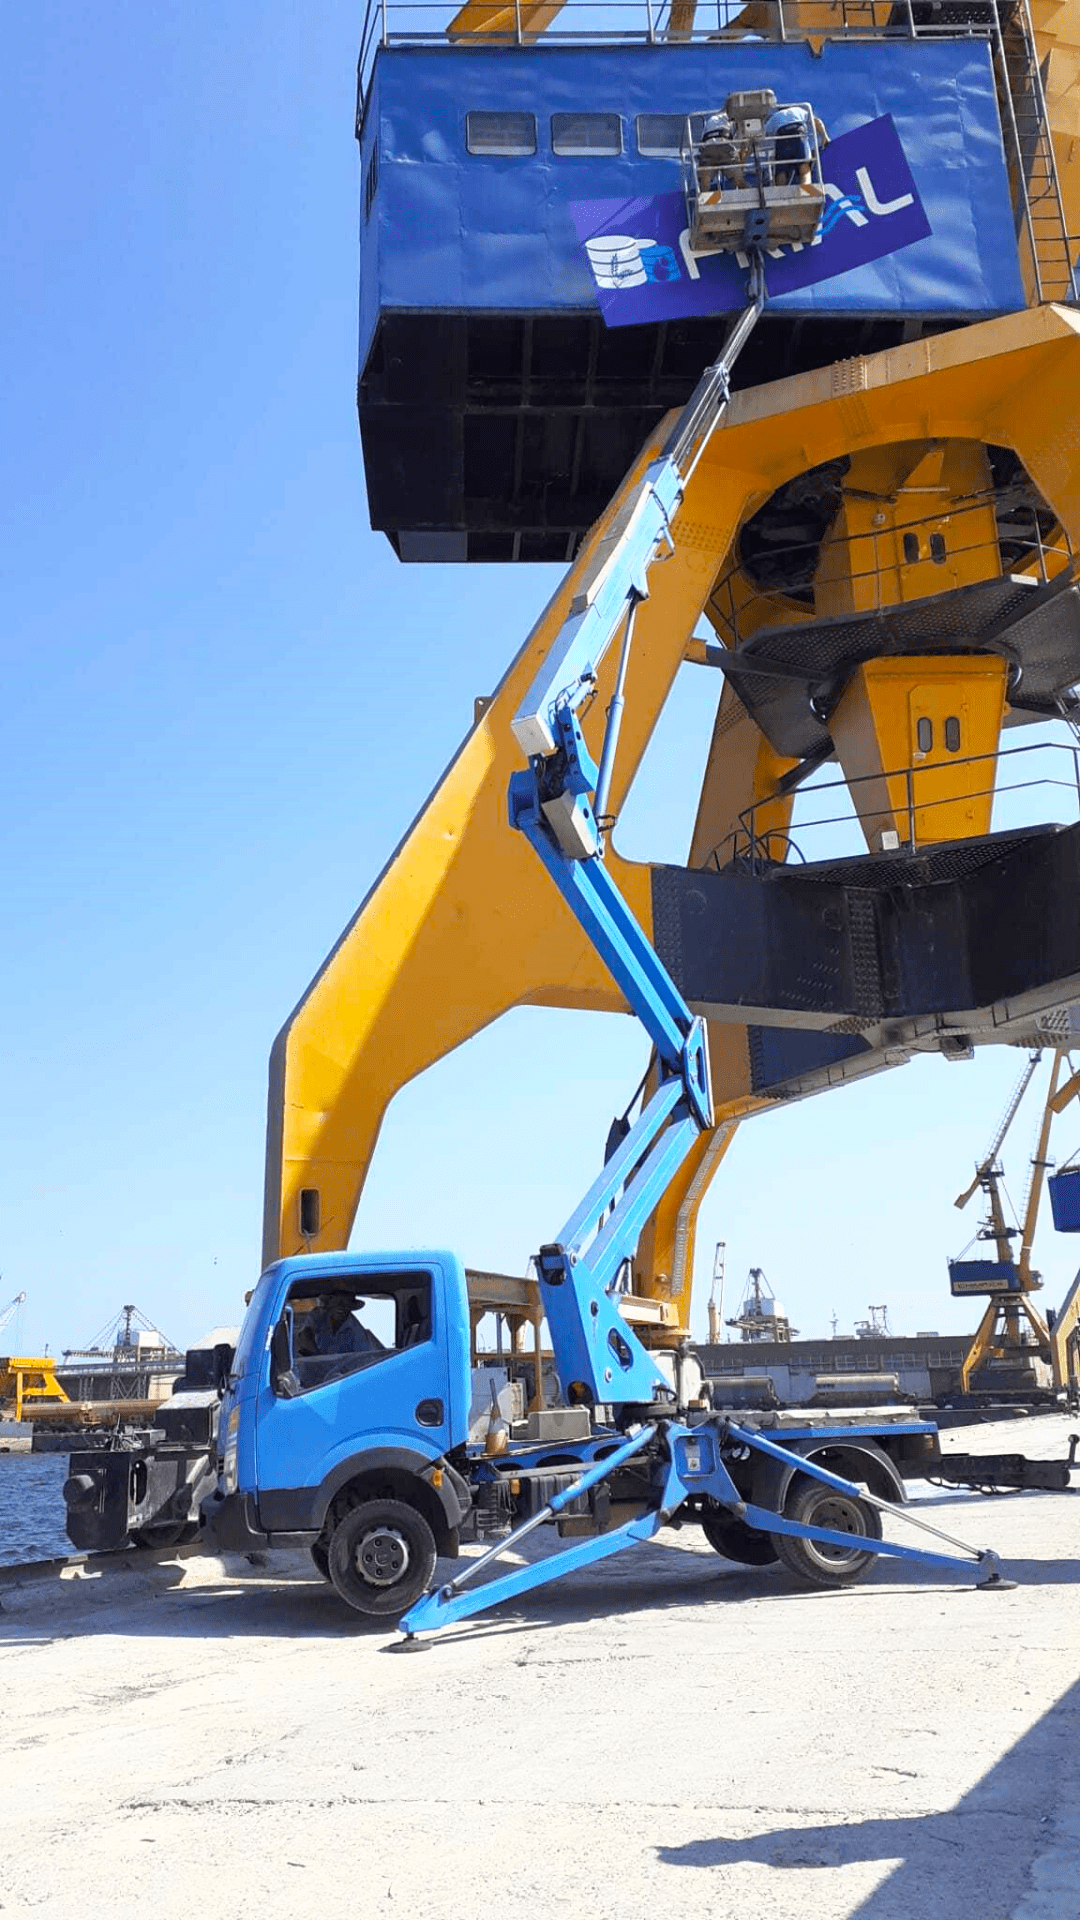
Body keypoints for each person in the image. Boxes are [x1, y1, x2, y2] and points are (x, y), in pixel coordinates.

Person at [763, 102, 828, 188]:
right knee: (804, 167)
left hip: (782, 140)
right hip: (798, 136)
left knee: (782, 169)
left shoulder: (774, 117)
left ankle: (780, 190)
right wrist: (824, 136)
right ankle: (806, 188)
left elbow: (760, 134)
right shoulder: (798, 110)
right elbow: (816, 121)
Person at [301, 1291, 384, 1358]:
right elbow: (305, 1335)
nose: (341, 1307)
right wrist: (316, 1356)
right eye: (337, 1302)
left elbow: (362, 1361)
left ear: (351, 1307)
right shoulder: (318, 1315)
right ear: (329, 1304)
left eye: (346, 1304)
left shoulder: (356, 1331)